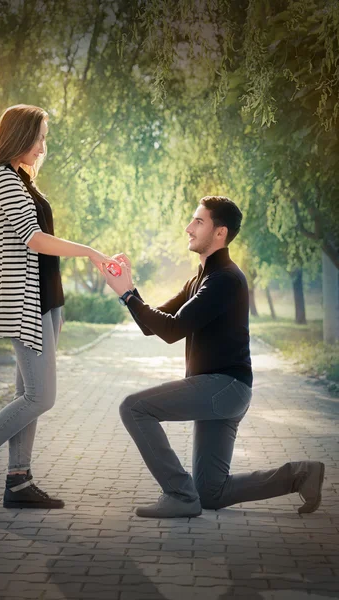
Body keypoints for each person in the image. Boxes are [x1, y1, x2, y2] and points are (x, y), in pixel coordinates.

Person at [102, 196, 325, 518]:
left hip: (222, 386)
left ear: (220, 233)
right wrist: (128, 289)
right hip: (222, 390)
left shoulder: (225, 279)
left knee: (134, 407)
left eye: (198, 222)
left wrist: (126, 293)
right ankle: (300, 474)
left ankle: (179, 494)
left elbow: (172, 329)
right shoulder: (200, 278)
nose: (188, 228)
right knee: (211, 492)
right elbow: (156, 326)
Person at [0, 104, 116, 509]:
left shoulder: (20, 178)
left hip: (46, 299)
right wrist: (92, 252)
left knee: (27, 392)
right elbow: (34, 238)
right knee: (40, 396)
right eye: (40, 137)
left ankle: (19, 480)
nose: (43, 147)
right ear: (21, 136)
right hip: (25, 303)